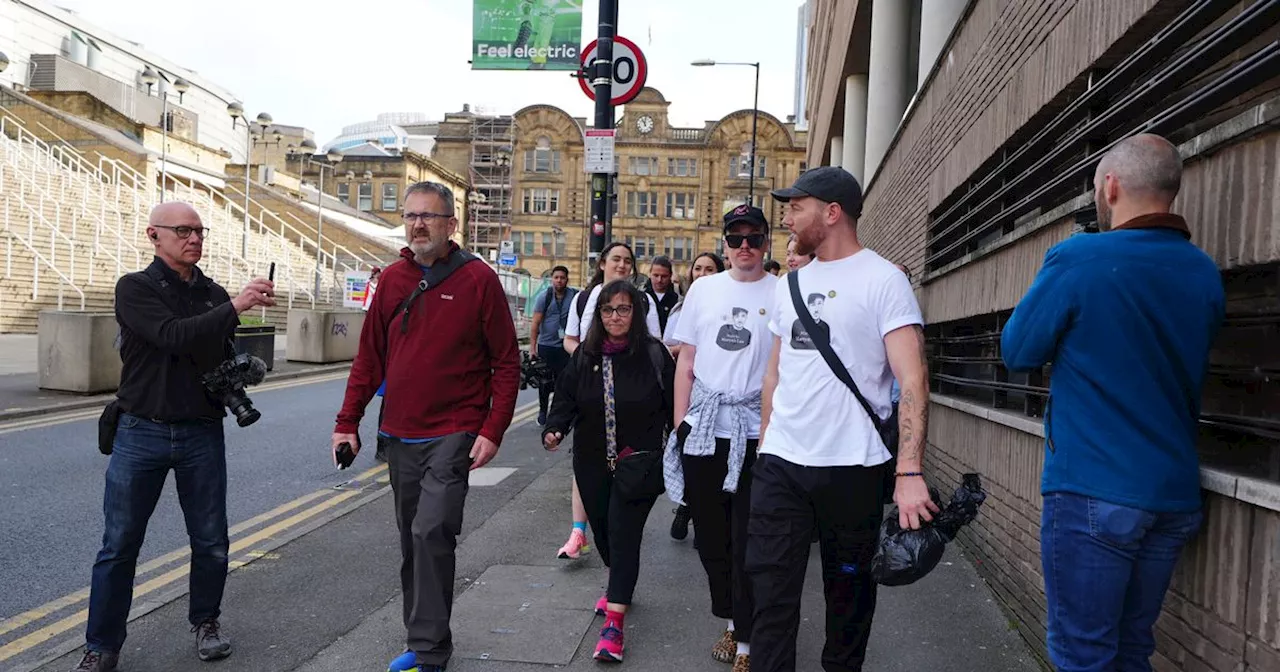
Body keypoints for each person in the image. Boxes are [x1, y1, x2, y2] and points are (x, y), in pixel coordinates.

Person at [1002, 134, 1223, 671]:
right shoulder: (1204, 272)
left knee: (1083, 655)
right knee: (1131, 649)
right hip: (1171, 494)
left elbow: (1017, 350)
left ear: (1111, 186)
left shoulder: (1081, 258)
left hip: (1093, 491)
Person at [73, 202, 276, 672]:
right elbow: (170, 335)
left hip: (201, 432)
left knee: (210, 541)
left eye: (200, 231)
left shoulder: (213, 292)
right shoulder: (134, 288)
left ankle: (206, 624)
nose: (194, 238)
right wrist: (236, 306)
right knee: (119, 545)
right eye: (183, 230)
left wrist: (246, 369)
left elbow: (217, 356)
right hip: (140, 430)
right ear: (154, 235)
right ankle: (101, 646)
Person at [332, 181, 520, 672]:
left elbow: (506, 361)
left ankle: (431, 652)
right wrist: (347, 421)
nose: (418, 224)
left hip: (454, 430)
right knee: (411, 538)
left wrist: (493, 429)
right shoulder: (393, 280)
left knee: (433, 531)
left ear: (451, 225)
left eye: (429, 217)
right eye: (412, 216)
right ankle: (422, 636)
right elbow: (369, 359)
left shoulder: (479, 280)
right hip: (400, 434)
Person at [752, 167, 935, 672]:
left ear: (832, 213)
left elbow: (913, 381)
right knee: (770, 596)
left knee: (849, 597)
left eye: (796, 206)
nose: (787, 217)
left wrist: (909, 471)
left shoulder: (884, 280)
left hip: (853, 468)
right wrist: (767, 440)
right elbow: (774, 374)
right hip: (782, 466)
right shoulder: (788, 285)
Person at [665, 205, 778, 671]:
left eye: (754, 237)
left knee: (750, 539)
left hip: (756, 434)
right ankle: (732, 621)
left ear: (767, 241)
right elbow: (686, 361)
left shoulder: (784, 292)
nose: (745, 245)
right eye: (736, 238)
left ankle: (749, 643)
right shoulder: (704, 290)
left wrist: (773, 436)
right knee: (711, 541)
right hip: (706, 432)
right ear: (726, 243)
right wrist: (680, 425)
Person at [543, 279, 675, 663]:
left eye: (623, 309)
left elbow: (673, 404)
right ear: (599, 315)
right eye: (608, 310)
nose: (615, 316)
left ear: (636, 313)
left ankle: (614, 623)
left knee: (623, 532)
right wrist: (554, 428)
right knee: (604, 533)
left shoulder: (653, 355)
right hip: (590, 463)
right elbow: (565, 399)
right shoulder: (585, 355)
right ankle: (621, 580)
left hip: (639, 464)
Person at [557, 241, 660, 561]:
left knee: (624, 498)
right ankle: (579, 530)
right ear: (602, 263)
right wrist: (591, 363)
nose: (622, 265)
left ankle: (619, 568)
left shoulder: (643, 301)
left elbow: (654, 348)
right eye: (616, 259)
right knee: (587, 467)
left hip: (630, 405)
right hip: (592, 394)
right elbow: (570, 340)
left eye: (628, 260)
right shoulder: (584, 299)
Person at [664, 251, 725, 542]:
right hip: (684, 390)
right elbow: (670, 348)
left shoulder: (727, 306)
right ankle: (688, 507)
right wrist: (678, 417)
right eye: (698, 268)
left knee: (710, 459)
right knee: (690, 455)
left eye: (710, 269)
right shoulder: (680, 308)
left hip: (713, 395)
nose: (702, 274)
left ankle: (699, 513)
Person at [530, 266, 578, 426]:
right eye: (556, 277)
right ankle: (543, 411)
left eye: (562, 278)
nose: (559, 280)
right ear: (552, 279)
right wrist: (532, 348)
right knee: (544, 382)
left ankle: (559, 414)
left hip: (565, 347)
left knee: (564, 383)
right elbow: (535, 323)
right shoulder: (544, 297)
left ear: (567, 279)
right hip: (546, 346)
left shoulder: (574, 296)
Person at [646, 255, 680, 334]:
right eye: (656, 275)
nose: (659, 280)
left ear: (670, 276)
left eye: (664, 276)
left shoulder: (678, 300)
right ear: (650, 274)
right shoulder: (640, 296)